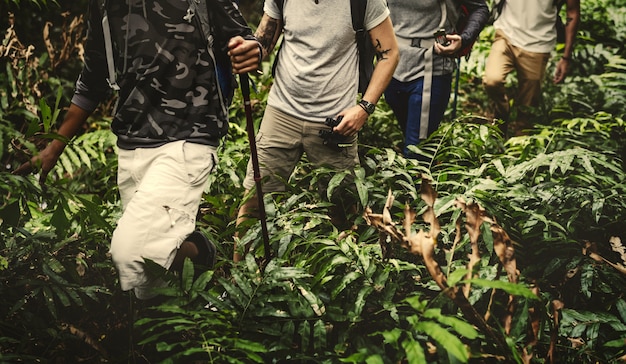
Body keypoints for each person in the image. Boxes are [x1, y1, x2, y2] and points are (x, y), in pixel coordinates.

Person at [14, 0, 262, 300]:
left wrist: (249, 50)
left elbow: (244, 38)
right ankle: (194, 259)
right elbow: (93, 77)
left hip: (190, 136)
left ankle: (199, 261)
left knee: (129, 254)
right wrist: (54, 148)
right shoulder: (103, 5)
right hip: (131, 142)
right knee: (145, 284)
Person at [234, 0, 400, 262]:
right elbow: (264, 42)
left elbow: (389, 52)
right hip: (281, 112)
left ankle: (345, 284)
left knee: (343, 211)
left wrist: (364, 108)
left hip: (335, 123)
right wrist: (248, 51)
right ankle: (240, 283)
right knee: (255, 204)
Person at [384, 0, 489, 158]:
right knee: (413, 134)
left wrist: (464, 38)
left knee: (415, 149)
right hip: (392, 64)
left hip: (430, 68)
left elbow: (480, 8)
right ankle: (428, 168)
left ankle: (420, 173)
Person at [483, 0, 581, 137]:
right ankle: (501, 112)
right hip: (506, 34)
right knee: (492, 81)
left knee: (527, 107)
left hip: (539, 44)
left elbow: (573, 12)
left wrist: (566, 57)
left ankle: (517, 148)